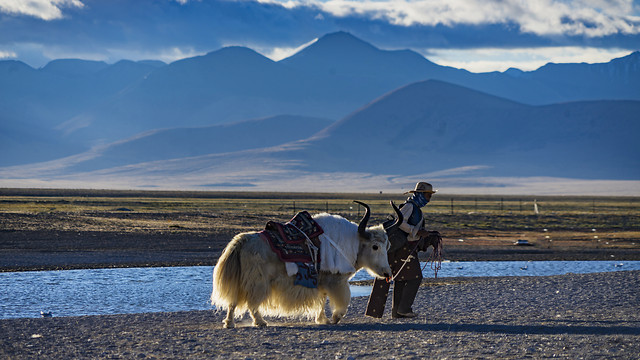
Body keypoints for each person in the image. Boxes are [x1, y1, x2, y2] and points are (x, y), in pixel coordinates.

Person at [365, 181, 441, 319]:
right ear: (420, 194)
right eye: (428, 195)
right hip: (402, 249)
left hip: (402, 248)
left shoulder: (415, 207)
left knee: (402, 279)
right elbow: (400, 223)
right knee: (415, 278)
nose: (429, 198)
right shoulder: (410, 206)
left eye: (430, 195)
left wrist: (423, 233)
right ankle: (404, 309)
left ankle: (397, 312)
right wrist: (416, 231)